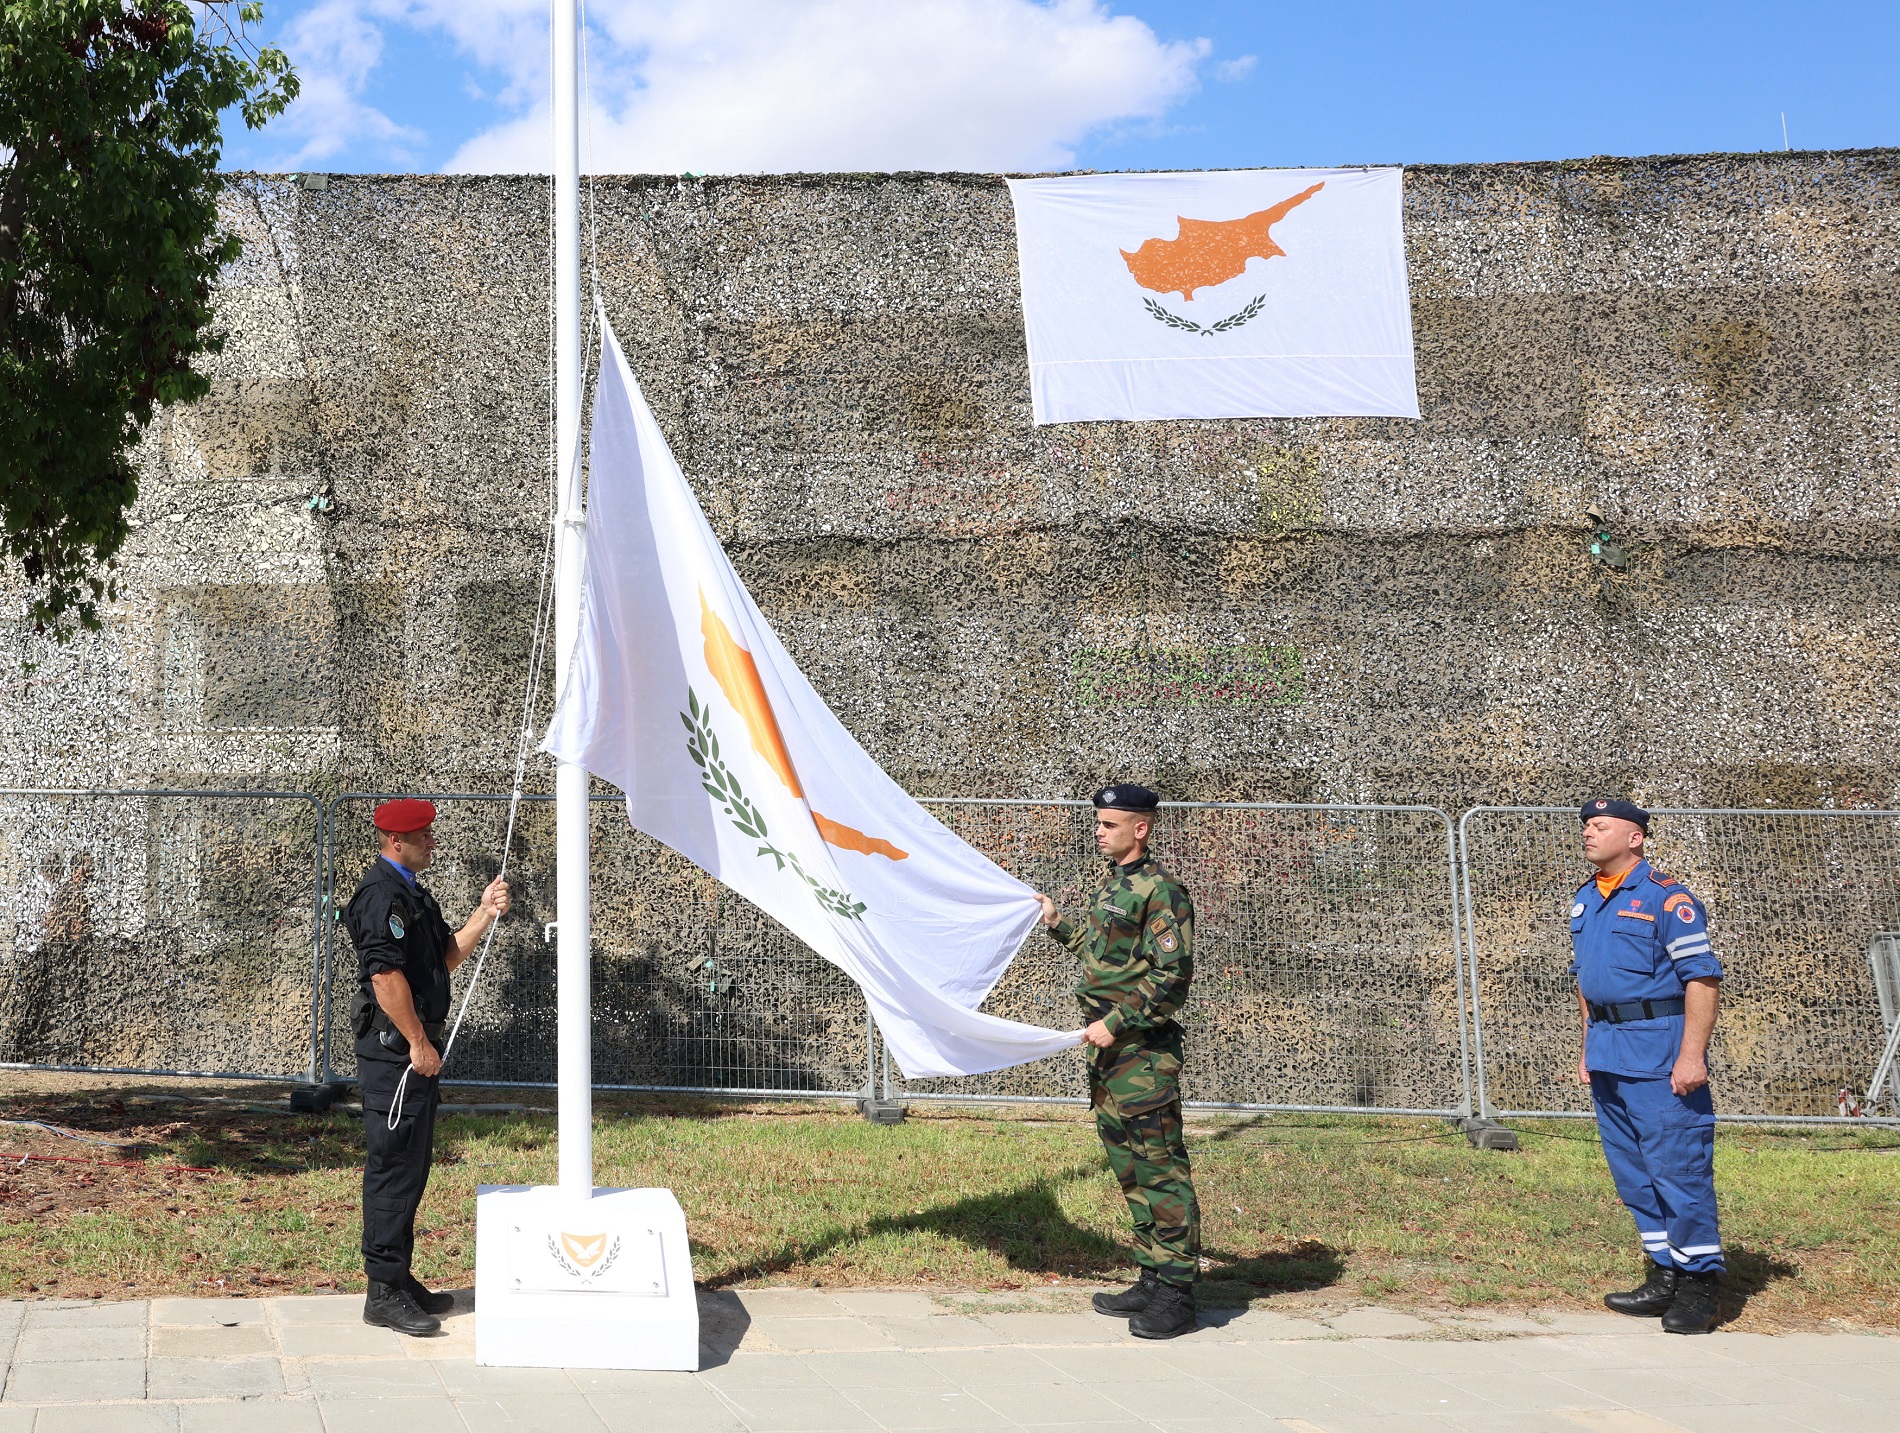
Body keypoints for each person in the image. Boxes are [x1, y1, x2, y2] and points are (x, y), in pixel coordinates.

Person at [1035, 784, 1201, 1339]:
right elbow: (1101, 953)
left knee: (1160, 1169)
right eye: (1099, 823)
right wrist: (1058, 922)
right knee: (1129, 1169)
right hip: (1110, 1057)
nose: (1099, 832)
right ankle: (1152, 1276)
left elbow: (1170, 978)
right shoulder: (1116, 885)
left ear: (1141, 828)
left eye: (1109, 824)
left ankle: (1178, 1291)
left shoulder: (1162, 892)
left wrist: (1116, 1022)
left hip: (1142, 1055)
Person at [344, 798, 510, 1336]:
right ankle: (383, 1292)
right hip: (395, 1052)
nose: (431, 843)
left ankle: (399, 1277)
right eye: (423, 837)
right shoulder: (381, 896)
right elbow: (385, 978)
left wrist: (483, 913)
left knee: (412, 1165)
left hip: (411, 1052)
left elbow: (442, 957)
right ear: (397, 842)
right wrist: (417, 1041)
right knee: (393, 1164)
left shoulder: (412, 893)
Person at [1571, 797, 1725, 1334]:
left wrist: (1691, 1054)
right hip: (1610, 1048)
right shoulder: (1587, 899)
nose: (1588, 832)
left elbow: (1702, 980)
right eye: (1586, 825)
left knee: (1677, 1167)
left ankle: (1700, 1284)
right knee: (1633, 1172)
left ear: (1634, 836)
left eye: (1600, 825)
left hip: (1659, 1047)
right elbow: (1587, 981)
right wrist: (1588, 1046)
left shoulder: (1668, 899)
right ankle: (1665, 1272)